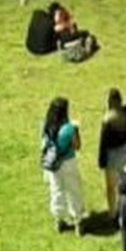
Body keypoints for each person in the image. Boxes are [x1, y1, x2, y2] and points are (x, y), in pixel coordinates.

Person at [40, 96, 85, 233]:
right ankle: (78, 221)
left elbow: (43, 145)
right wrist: (76, 130)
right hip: (68, 162)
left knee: (56, 190)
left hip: (53, 164)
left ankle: (59, 220)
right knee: (74, 191)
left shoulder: (46, 126)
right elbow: (77, 146)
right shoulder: (69, 128)